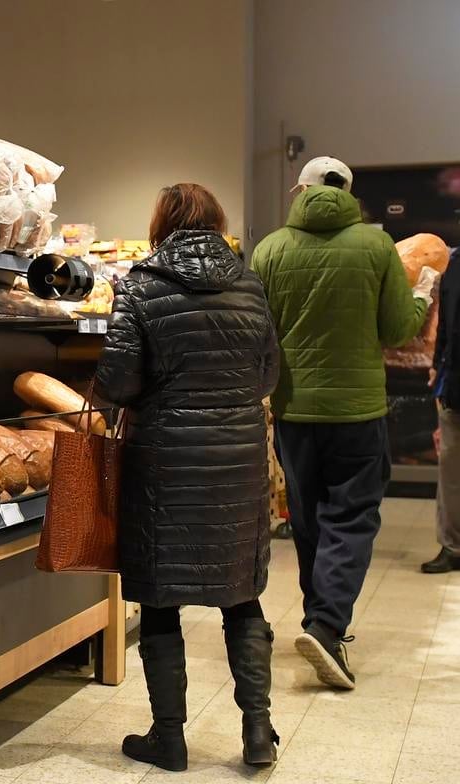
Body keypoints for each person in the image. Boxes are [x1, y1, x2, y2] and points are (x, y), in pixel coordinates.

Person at [96, 184, 280, 771]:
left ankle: (168, 738)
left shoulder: (140, 285)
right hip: (237, 460)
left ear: (161, 224)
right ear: (216, 223)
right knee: (242, 597)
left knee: (159, 598)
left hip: (165, 463)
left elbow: (117, 382)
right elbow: (269, 373)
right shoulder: (249, 286)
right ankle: (256, 733)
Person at [252, 156, 437, 689]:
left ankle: (320, 620)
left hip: (293, 411)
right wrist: (421, 293)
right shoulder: (376, 246)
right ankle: (328, 626)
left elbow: (259, 332)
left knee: (309, 520)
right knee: (351, 517)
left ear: (300, 190)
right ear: (350, 193)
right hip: (358, 411)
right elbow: (399, 330)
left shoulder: (270, 249)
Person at [424, 247, 460, 573]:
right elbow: (447, 328)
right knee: (450, 471)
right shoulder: (454, 264)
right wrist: (438, 366)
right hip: (455, 386)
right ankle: (452, 546)